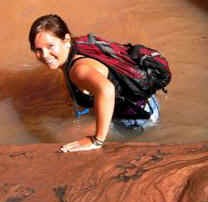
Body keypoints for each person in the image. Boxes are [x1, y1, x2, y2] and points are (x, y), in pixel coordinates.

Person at [29, 14, 160, 152]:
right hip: (146, 101)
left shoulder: (78, 70)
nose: (44, 55)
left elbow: (107, 89)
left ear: (66, 39)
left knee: (62, 136)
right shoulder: (78, 45)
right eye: (38, 50)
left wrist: (96, 140)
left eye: (50, 46)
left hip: (138, 119)